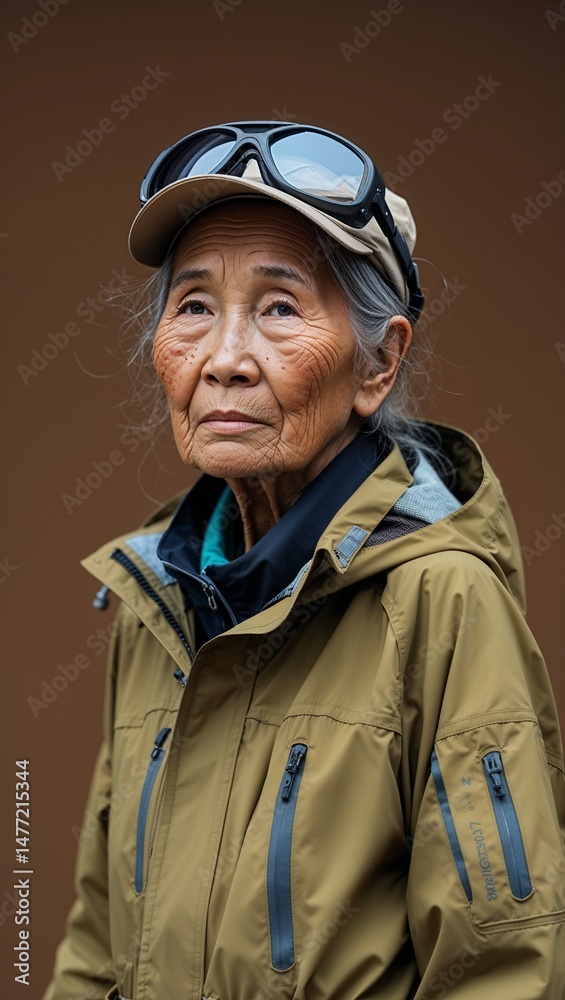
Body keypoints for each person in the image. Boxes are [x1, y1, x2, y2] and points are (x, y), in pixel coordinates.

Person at [43, 122, 565, 1000]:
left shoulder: (442, 599)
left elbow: (502, 969)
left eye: (279, 309)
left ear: (378, 363)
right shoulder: (157, 601)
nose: (224, 360)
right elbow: (96, 947)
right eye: (194, 306)